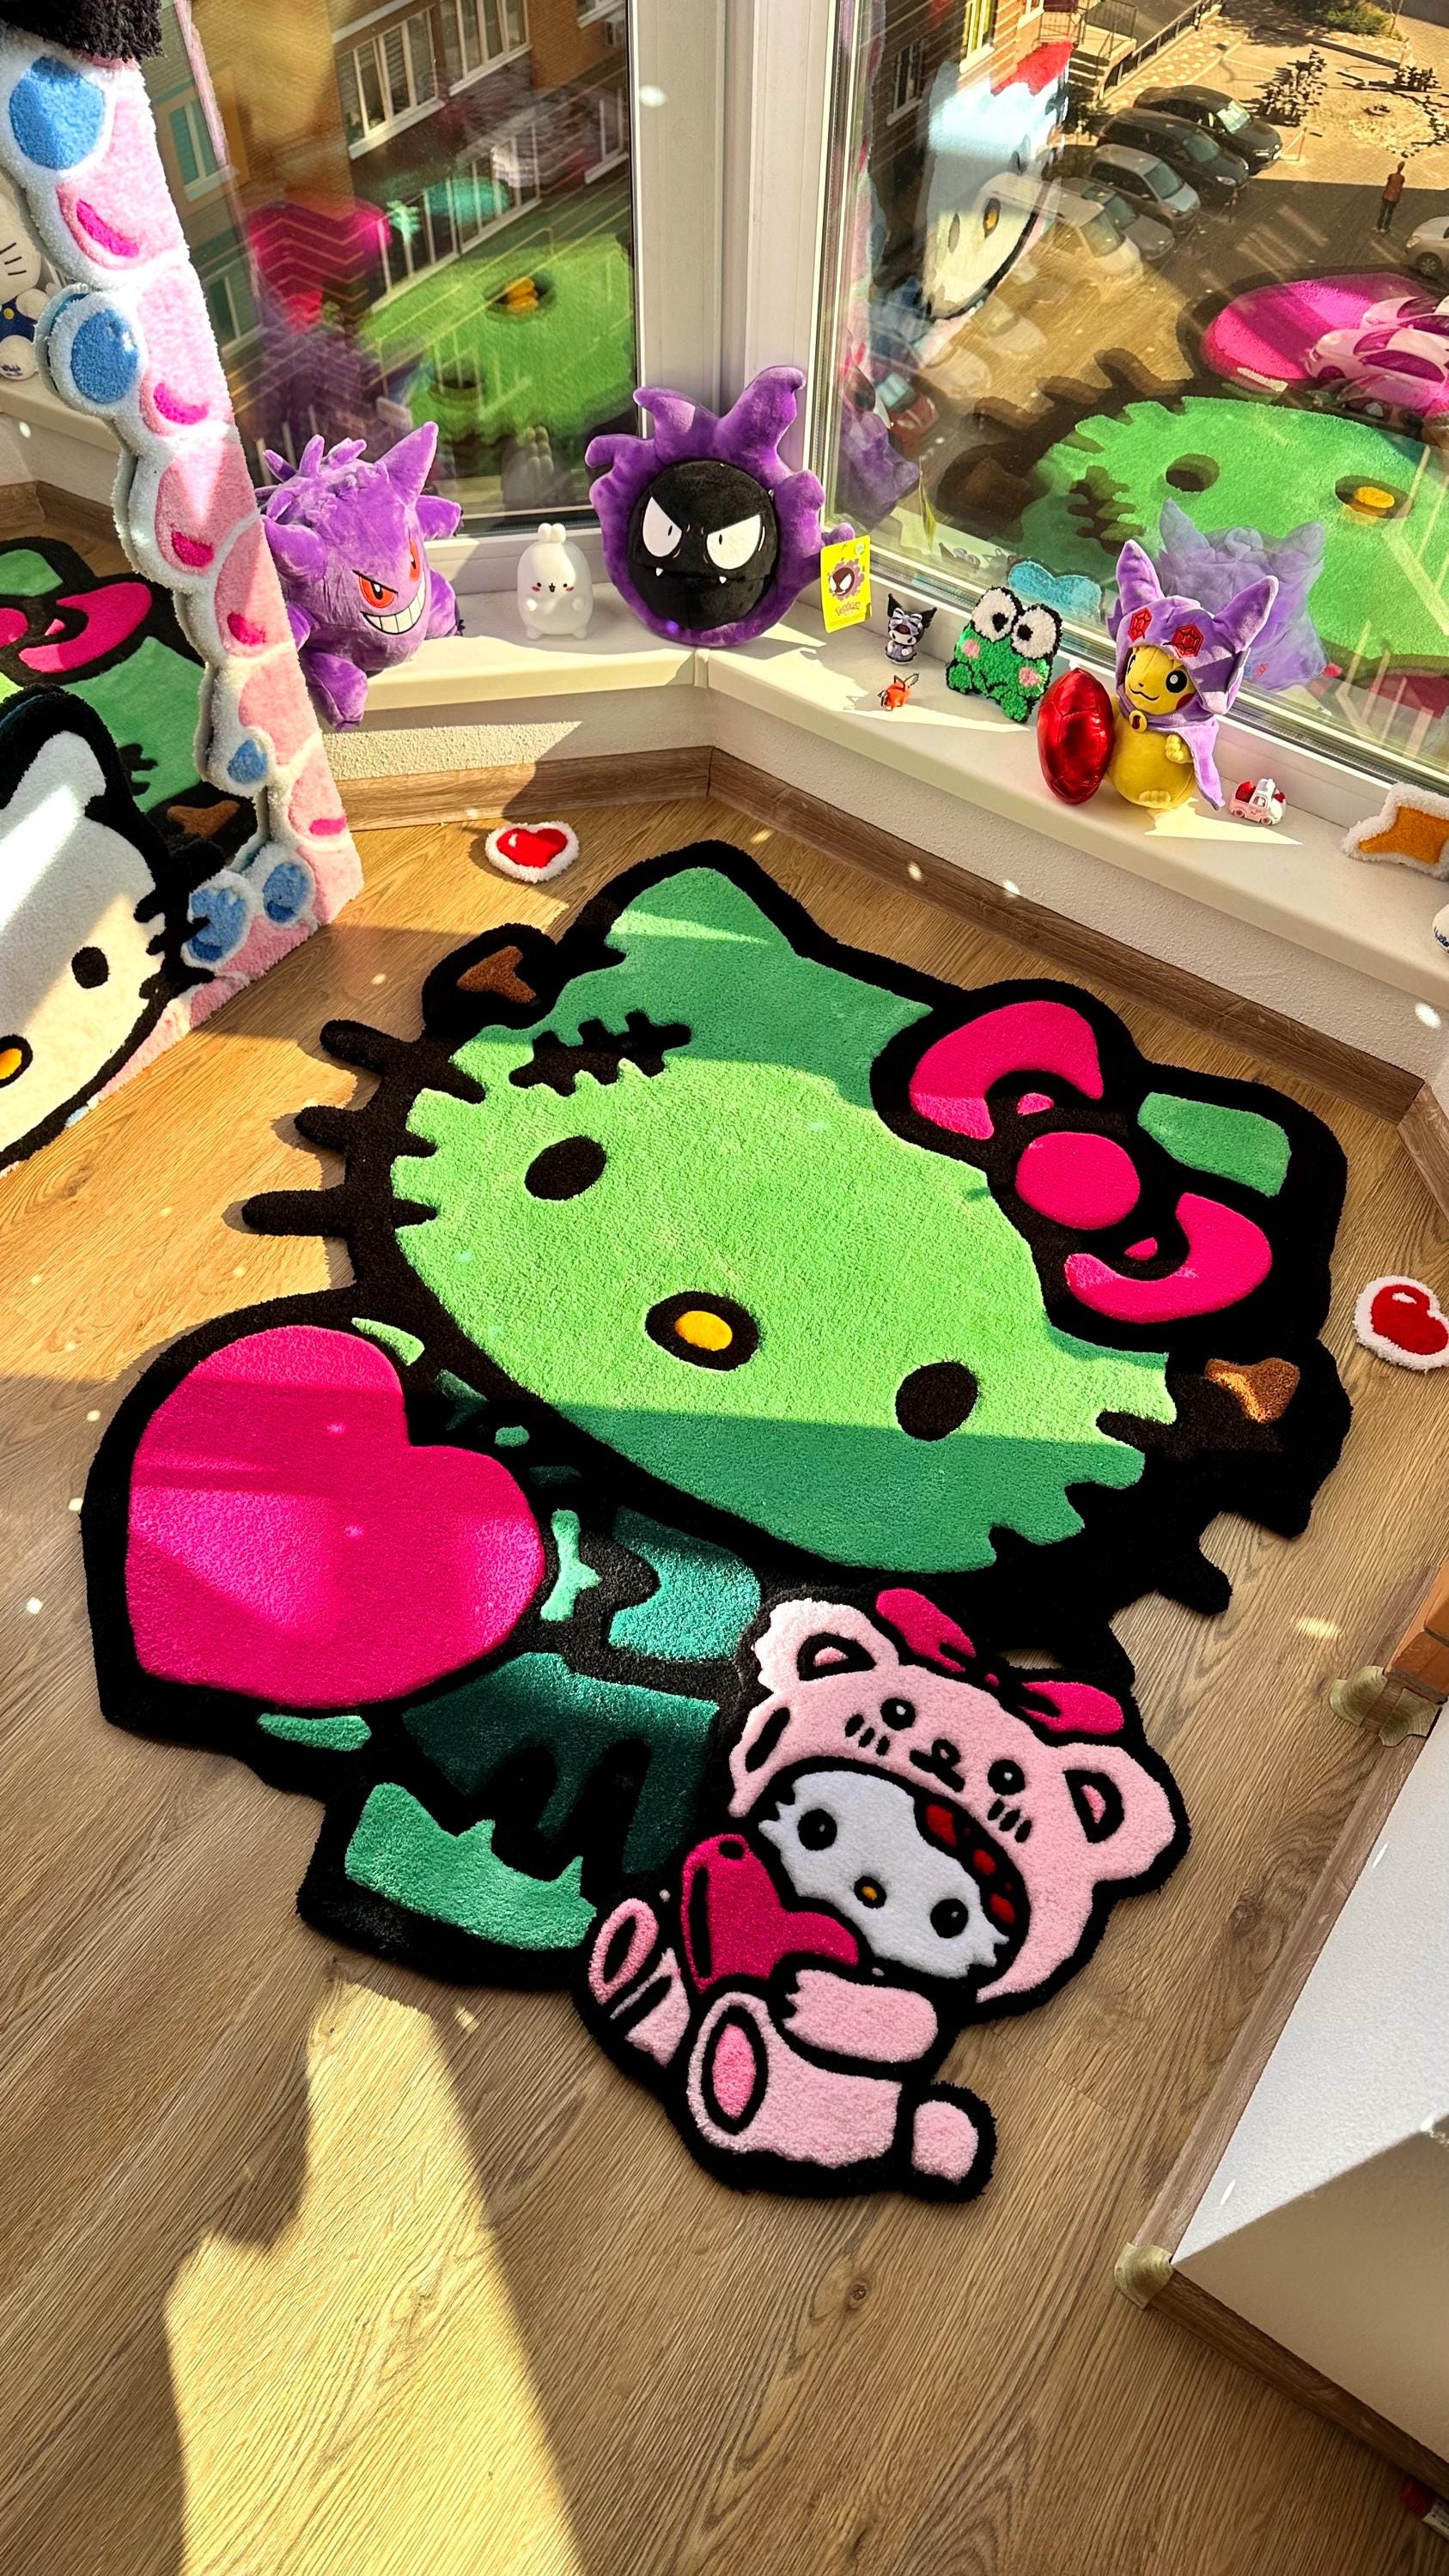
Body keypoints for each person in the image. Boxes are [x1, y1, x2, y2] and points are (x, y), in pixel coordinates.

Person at [1377, 160, 1407, 234]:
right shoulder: (1402, 178)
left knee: (1382, 212)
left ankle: (1378, 227)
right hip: (1394, 198)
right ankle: (1385, 228)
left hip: (1387, 195)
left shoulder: (1391, 176)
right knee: (1389, 213)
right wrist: (1398, 197)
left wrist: (1384, 194)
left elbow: (1387, 185)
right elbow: (1400, 188)